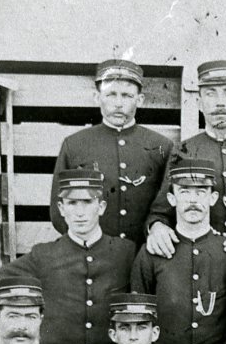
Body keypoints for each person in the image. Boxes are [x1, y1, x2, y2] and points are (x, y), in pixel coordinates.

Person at [0, 169, 136, 344]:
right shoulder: (45, 256)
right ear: (61, 209)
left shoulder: (124, 253)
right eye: (72, 203)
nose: (80, 212)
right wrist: (22, 328)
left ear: (101, 207)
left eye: (87, 202)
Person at [145, 60, 226, 282]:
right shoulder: (184, 150)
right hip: (197, 266)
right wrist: (157, 227)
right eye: (210, 94)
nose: (219, 103)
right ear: (198, 102)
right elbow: (161, 210)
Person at [131, 160, 226, 344]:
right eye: (184, 191)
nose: (193, 200)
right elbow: (139, 317)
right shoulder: (152, 252)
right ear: (171, 199)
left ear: (213, 198)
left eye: (201, 192)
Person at [50, 60, 170, 244]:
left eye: (127, 96)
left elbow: (167, 206)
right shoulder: (74, 145)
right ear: (97, 97)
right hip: (93, 255)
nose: (119, 103)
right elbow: (59, 212)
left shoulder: (161, 146)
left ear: (140, 100)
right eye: (111, 94)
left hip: (144, 252)